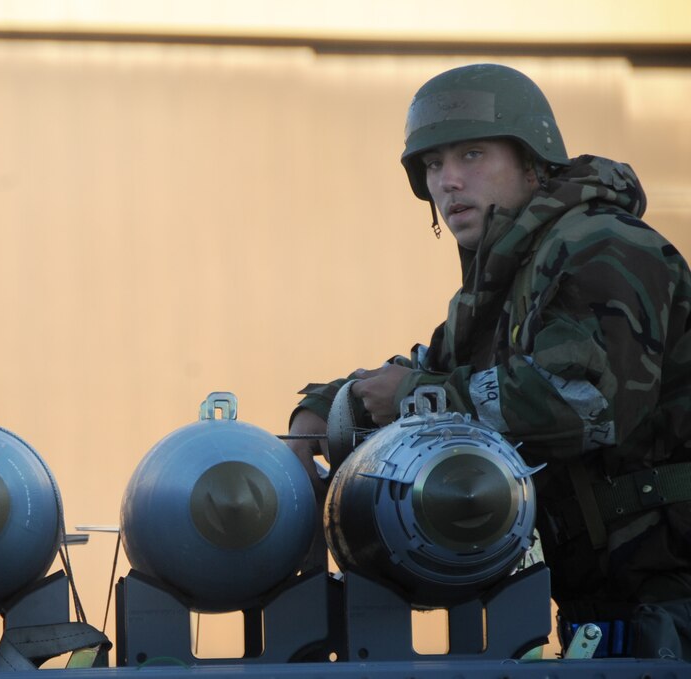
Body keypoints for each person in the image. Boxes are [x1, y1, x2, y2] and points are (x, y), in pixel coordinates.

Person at [288, 63, 691, 659]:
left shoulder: (602, 245)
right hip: (614, 605)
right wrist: (329, 409)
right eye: (432, 165)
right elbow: (430, 367)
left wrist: (413, 396)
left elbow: (585, 404)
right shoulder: (506, 280)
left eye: (471, 155)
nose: (448, 181)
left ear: (533, 163)